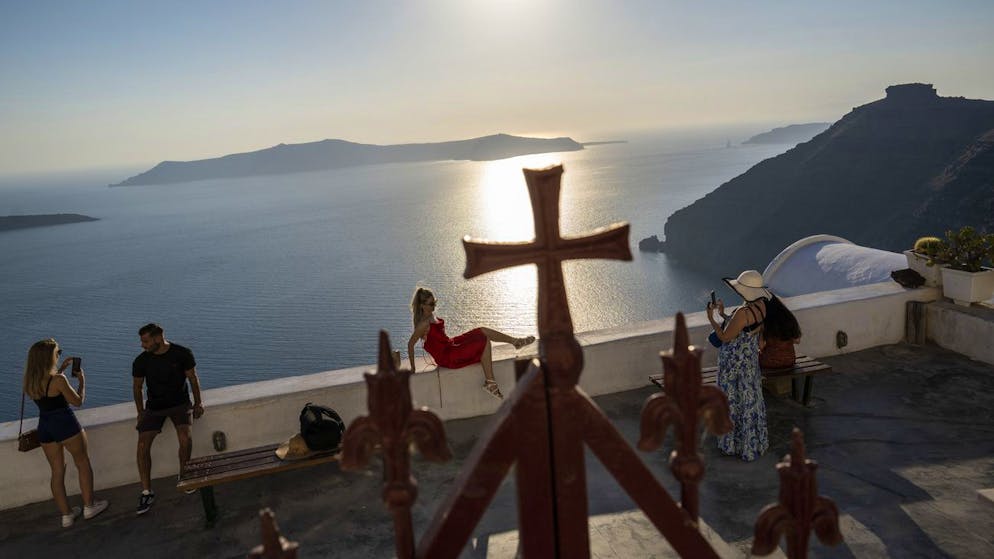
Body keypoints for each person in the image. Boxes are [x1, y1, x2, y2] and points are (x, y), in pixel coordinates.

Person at [22, 339, 109, 527]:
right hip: (65, 425)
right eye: (57, 352)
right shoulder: (59, 380)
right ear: (48, 357)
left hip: (45, 427)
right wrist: (82, 380)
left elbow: (49, 391)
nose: (59, 354)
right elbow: (77, 401)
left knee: (57, 471)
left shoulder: (30, 381)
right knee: (82, 463)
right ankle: (89, 506)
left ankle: (66, 516)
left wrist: (60, 368)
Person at [407, 287, 535, 400]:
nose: (434, 306)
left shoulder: (431, 315)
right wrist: (413, 368)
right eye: (430, 304)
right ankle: (490, 382)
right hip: (447, 356)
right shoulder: (423, 324)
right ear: (422, 305)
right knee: (484, 341)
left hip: (451, 344)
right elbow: (410, 344)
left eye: (434, 302)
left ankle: (516, 342)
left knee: (482, 330)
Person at [132, 323, 204, 515]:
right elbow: (137, 387)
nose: (142, 345)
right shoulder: (141, 361)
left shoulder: (182, 353)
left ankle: (185, 474)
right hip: (154, 408)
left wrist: (198, 403)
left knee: (185, 438)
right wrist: (140, 412)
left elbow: (193, 379)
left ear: (158, 338)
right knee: (142, 445)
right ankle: (146, 491)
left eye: (146, 341)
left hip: (180, 404)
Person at [706, 270, 770, 461]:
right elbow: (756, 339)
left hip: (733, 365)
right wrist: (723, 314)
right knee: (749, 402)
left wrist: (711, 318)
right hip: (750, 364)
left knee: (732, 402)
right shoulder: (761, 307)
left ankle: (732, 443)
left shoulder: (743, 312)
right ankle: (753, 442)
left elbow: (725, 337)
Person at [758, 294, 802, 369]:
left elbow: (761, 346)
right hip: (789, 360)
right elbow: (797, 340)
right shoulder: (789, 319)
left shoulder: (765, 323)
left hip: (768, 362)